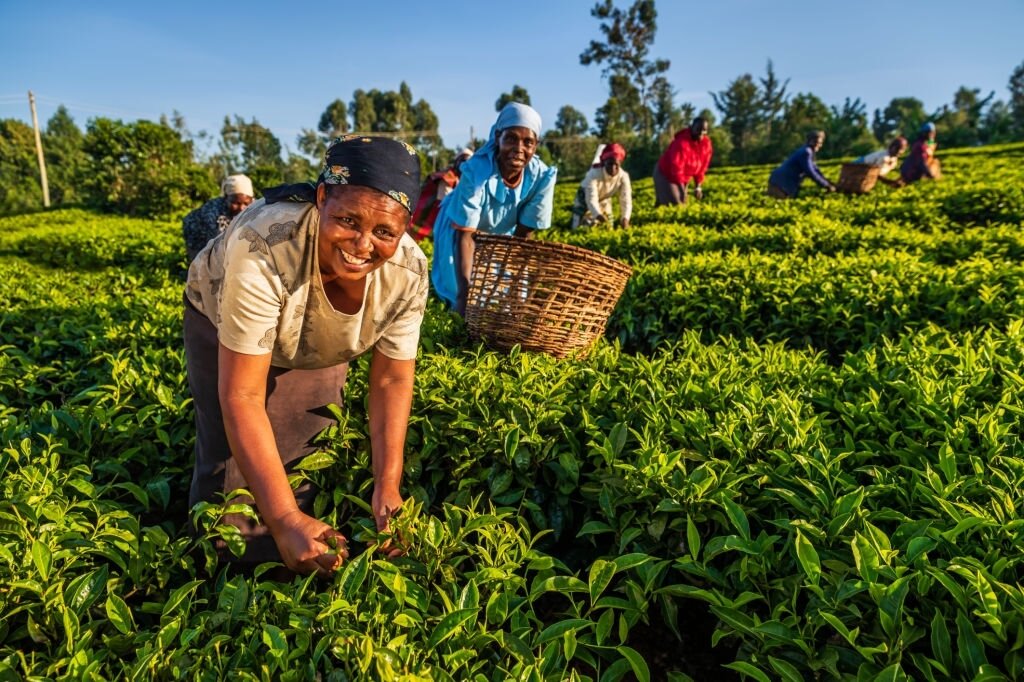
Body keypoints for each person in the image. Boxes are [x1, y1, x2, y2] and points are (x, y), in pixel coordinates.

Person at [184, 136, 426, 576]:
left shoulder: (408, 273)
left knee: (300, 445)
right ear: (321, 198)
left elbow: (391, 380)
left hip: (319, 336)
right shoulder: (265, 244)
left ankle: (292, 557)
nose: (362, 244)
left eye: (385, 232)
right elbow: (241, 395)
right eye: (347, 219)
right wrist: (284, 519)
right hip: (220, 314)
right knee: (229, 472)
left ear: (406, 227)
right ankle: (220, 579)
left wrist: (387, 487)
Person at [431, 102, 557, 315]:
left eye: (528, 142)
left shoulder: (542, 177)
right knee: (459, 292)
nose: (518, 149)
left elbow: (522, 236)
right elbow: (466, 237)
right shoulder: (476, 170)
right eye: (511, 139)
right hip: (459, 229)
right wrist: (464, 297)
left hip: (500, 234)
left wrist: (516, 289)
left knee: (508, 298)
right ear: (498, 137)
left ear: (536, 146)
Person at [182, 174, 254, 262]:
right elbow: (218, 246)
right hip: (197, 236)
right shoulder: (212, 212)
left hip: (223, 236)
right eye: (236, 203)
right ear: (226, 198)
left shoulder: (255, 206)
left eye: (246, 203)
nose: (242, 208)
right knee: (204, 266)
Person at [406, 148, 473, 242]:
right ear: (457, 162)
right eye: (463, 161)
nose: (465, 165)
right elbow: (444, 204)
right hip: (433, 216)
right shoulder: (447, 178)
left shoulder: (464, 179)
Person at [570, 142, 633, 229]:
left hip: (604, 199)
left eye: (616, 164)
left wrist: (625, 218)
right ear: (604, 163)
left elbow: (626, 200)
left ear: (620, 163)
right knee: (581, 226)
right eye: (610, 164)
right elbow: (591, 199)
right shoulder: (594, 174)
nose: (613, 168)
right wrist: (598, 215)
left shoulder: (623, 176)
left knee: (609, 225)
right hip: (584, 198)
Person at [653, 117, 713, 206]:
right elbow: (676, 169)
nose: (701, 133)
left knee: (680, 201)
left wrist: (698, 187)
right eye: (698, 129)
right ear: (691, 128)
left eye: (704, 130)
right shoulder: (681, 143)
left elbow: (702, 168)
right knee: (676, 203)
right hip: (665, 174)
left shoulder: (706, 145)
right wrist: (682, 191)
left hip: (683, 177)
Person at [767, 131, 836, 198]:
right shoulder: (806, 152)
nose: (819, 145)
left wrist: (828, 182)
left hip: (781, 182)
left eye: (820, 143)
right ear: (811, 141)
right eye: (817, 142)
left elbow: (816, 170)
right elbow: (810, 172)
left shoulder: (807, 152)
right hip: (781, 184)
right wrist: (826, 186)